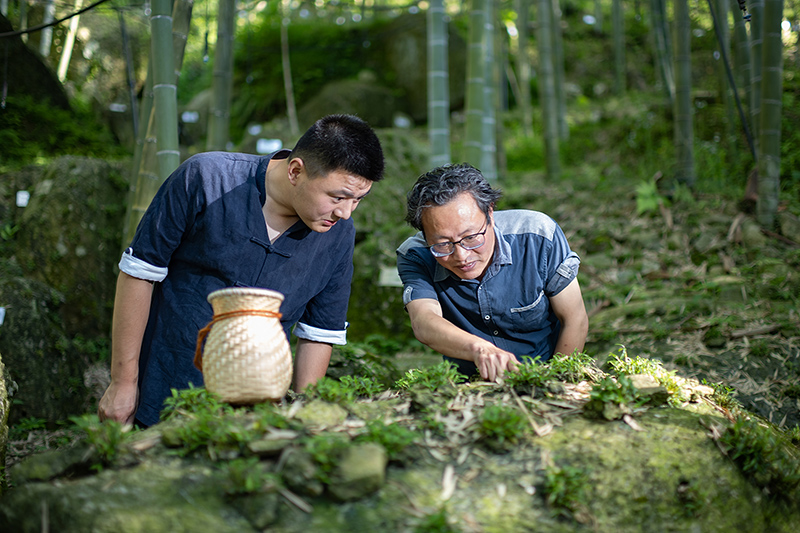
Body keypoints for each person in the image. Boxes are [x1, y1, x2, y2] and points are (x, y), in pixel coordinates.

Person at [99, 114, 385, 427]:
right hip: (162, 386)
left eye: (358, 200)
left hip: (254, 414)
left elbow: (319, 333)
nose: (345, 212)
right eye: (338, 197)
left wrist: (306, 417)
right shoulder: (207, 179)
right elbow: (140, 273)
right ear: (296, 171)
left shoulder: (339, 234)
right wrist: (123, 381)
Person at [396, 163, 588, 382]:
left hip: (545, 372)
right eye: (442, 244)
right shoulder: (415, 254)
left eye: (471, 238)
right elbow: (424, 321)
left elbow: (575, 319)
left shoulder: (538, 236)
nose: (461, 256)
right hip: (469, 386)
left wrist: (555, 383)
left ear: (490, 213)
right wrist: (480, 350)